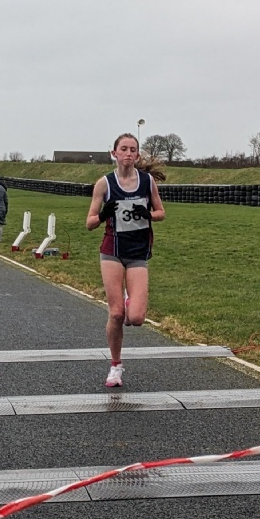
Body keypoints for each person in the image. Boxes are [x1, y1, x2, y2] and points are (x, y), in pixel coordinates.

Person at [86, 133, 165, 387]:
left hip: (138, 252)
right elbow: (89, 223)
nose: (128, 153)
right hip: (112, 251)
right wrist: (102, 215)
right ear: (114, 153)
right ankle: (115, 366)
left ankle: (131, 300)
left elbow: (161, 212)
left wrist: (150, 215)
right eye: (124, 149)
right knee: (117, 313)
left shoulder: (147, 181)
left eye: (133, 149)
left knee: (137, 318)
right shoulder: (104, 184)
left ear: (137, 155)